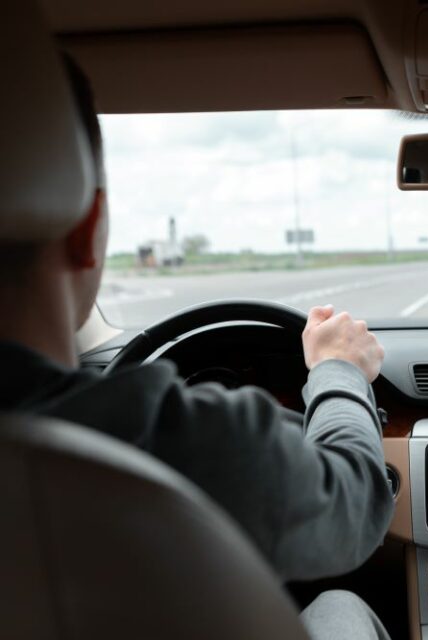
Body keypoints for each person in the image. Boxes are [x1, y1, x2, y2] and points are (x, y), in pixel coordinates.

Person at [0, 54, 393, 640]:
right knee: (338, 606)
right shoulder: (180, 440)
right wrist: (338, 371)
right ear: (87, 229)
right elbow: (353, 504)